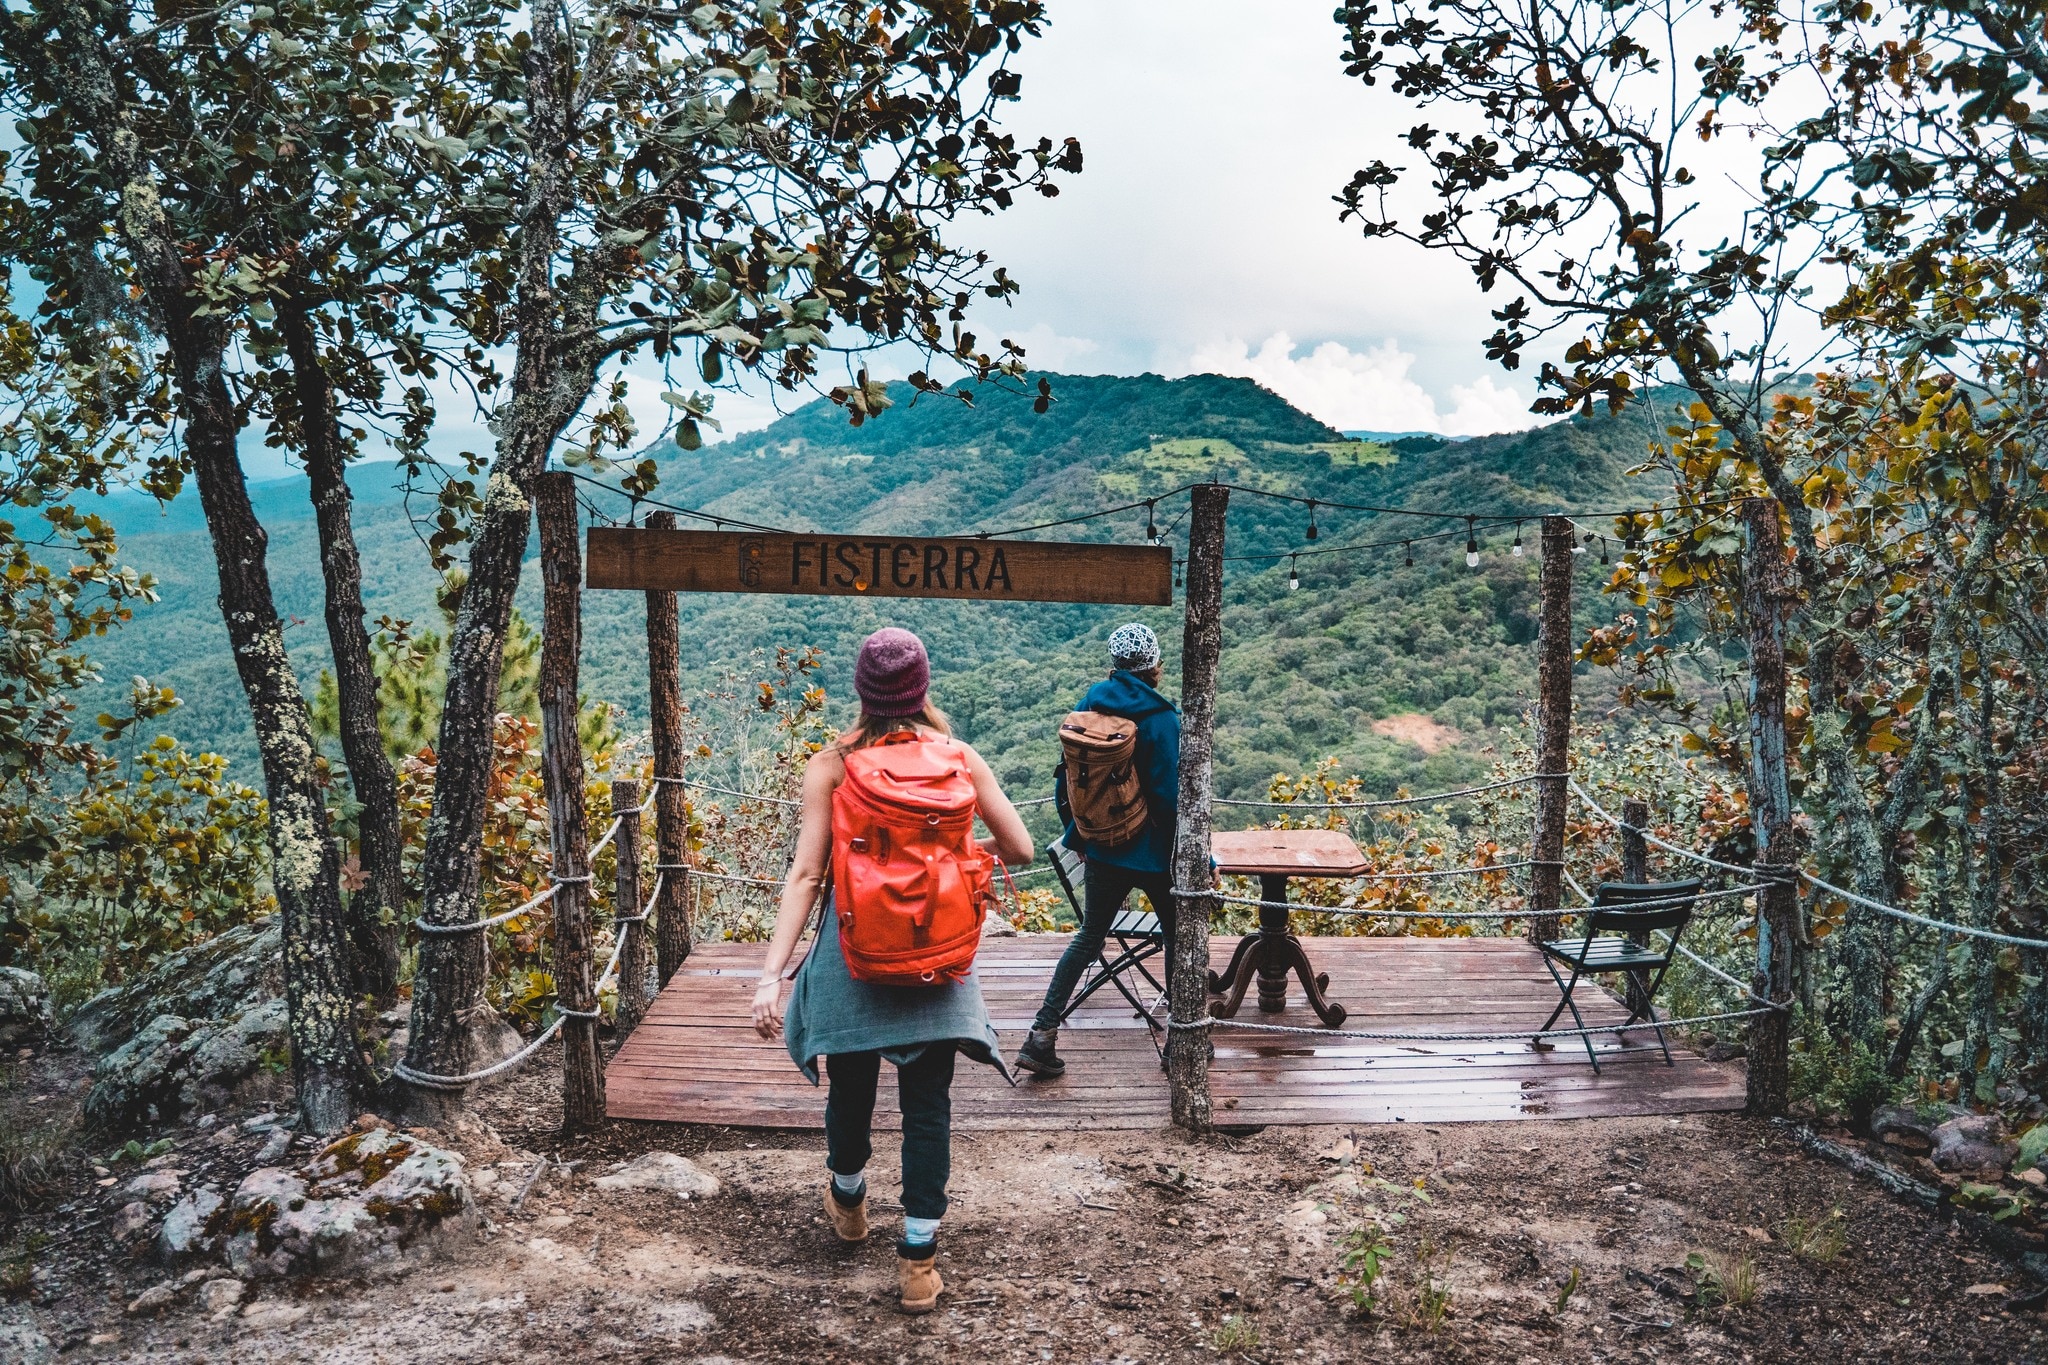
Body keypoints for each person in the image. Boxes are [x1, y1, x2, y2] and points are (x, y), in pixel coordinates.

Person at [750, 626, 1033, 1315]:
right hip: (940, 957)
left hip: (854, 957)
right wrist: (950, 856)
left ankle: (849, 1202)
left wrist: (771, 975)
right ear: (923, 687)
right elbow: (1021, 849)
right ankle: (917, 1262)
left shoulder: (831, 767)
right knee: (927, 1107)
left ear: (862, 691)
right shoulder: (959, 758)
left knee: (850, 1090)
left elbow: (807, 875)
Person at [1016, 622, 1180, 1077]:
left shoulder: (1089, 705)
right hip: (1153, 854)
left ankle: (1041, 1035)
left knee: (1089, 938)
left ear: (1116, 664)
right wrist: (1198, 858)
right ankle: (1179, 1042)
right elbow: (1169, 800)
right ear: (1154, 666)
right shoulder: (1163, 719)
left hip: (1102, 850)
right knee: (1176, 936)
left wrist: (1079, 834)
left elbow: (1067, 782)